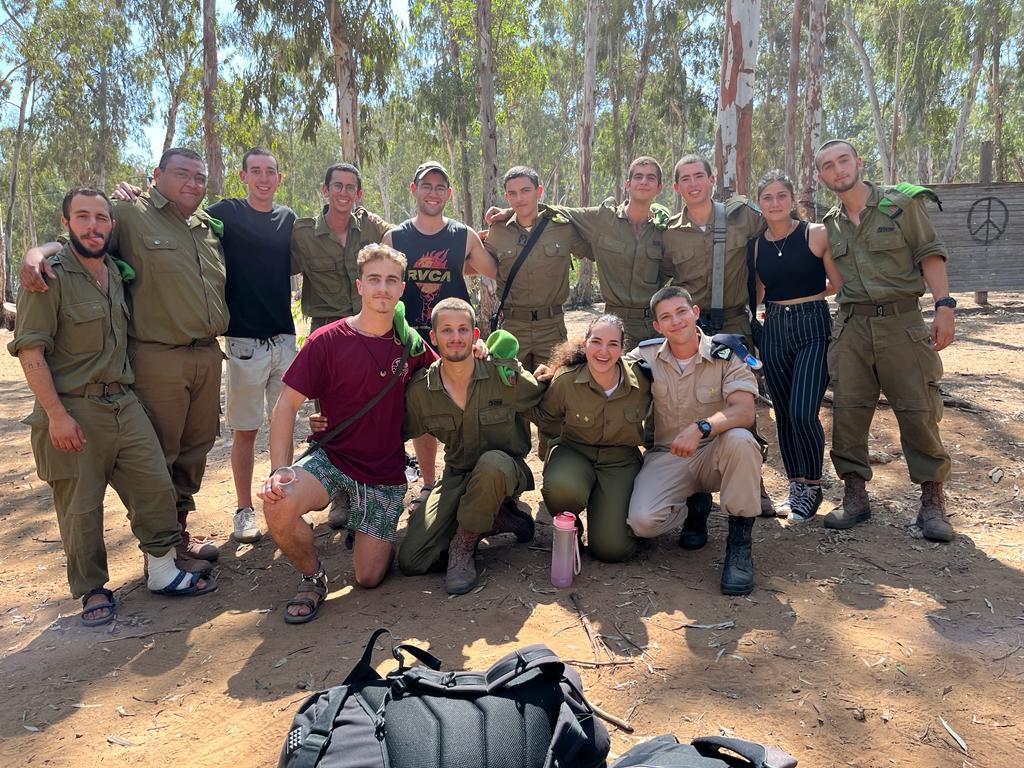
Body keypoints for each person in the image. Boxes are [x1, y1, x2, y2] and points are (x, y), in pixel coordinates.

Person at [9, 189, 216, 626]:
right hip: (74, 407)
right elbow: (31, 352)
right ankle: (93, 590)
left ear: (112, 224)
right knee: (81, 507)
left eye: (101, 218)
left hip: (123, 400)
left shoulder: (117, 272)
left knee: (155, 484)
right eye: (82, 217)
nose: (93, 226)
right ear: (66, 223)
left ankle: (162, 571)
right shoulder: (48, 277)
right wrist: (56, 416)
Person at [257, 245, 437, 623]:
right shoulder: (327, 339)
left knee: (368, 577)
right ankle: (312, 577)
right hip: (333, 457)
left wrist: (479, 351)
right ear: (359, 285)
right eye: (374, 279)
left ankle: (367, 524)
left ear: (402, 288)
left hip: (384, 472)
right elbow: (285, 407)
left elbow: (448, 377)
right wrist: (280, 470)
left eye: (391, 280)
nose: (382, 288)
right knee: (278, 502)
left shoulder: (411, 345)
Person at [815, 139, 955, 541]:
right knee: (848, 411)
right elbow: (832, 281)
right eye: (828, 166)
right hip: (852, 327)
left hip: (901, 322)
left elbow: (930, 253)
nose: (838, 170)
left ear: (858, 162)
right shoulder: (830, 224)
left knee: (918, 409)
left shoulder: (900, 205)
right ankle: (855, 496)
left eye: (843, 161)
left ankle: (932, 502)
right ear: (822, 177)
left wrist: (944, 305)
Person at [398, 298, 544, 595]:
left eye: (463, 329)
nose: (456, 337)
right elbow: (392, 436)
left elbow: (546, 402)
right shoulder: (422, 390)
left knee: (491, 464)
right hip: (458, 475)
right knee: (413, 560)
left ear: (475, 335)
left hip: (505, 472)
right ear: (433, 337)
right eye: (447, 330)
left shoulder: (501, 374)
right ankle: (500, 519)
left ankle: (464, 544)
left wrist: (554, 374)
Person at [626, 286, 762, 595]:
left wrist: (702, 427)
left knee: (741, 440)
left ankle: (739, 547)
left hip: (716, 453)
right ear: (657, 326)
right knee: (642, 522)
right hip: (669, 455)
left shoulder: (727, 353)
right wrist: (556, 368)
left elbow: (744, 411)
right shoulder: (646, 355)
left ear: (695, 312)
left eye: (681, 312)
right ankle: (693, 506)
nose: (676, 321)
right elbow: (604, 365)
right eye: (666, 317)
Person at [660, 153, 774, 516]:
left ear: (712, 180)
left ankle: (753, 482)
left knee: (742, 401)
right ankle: (697, 496)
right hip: (690, 328)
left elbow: (773, 240)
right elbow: (665, 280)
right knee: (691, 403)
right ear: (676, 187)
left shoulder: (743, 218)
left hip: (734, 325)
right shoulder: (669, 233)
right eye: (685, 179)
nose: (693, 184)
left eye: (699, 176)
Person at [384, 161, 493, 506]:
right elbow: (383, 284)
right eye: (426, 186)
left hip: (454, 338)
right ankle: (429, 485)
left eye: (440, 187)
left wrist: (504, 225)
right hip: (409, 340)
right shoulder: (395, 238)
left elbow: (497, 269)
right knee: (421, 412)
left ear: (449, 193)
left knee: (466, 408)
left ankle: (470, 482)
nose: (433, 193)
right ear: (413, 189)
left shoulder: (463, 235)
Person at [490, 156, 670, 348]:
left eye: (651, 178)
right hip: (615, 323)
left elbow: (672, 271)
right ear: (628, 184)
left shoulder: (666, 228)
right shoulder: (603, 219)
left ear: (660, 187)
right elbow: (560, 211)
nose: (643, 182)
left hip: (655, 323)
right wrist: (511, 212)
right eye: (638, 177)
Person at [750, 170, 842, 522]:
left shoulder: (815, 234)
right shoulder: (756, 245)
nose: (775, 203)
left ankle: (813, 485)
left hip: (813, 325)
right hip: (774, 327)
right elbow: (758, 292)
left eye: (781, 196)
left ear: (792, 200)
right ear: (760, 204)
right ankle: (796, 486)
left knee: (804, 411)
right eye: (767, 197)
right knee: (785, 413)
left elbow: (837, 282)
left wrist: (807, 298)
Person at [533, 314, 650, 563]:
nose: (603, 351)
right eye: (596, 342)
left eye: (612, 344)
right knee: (560, 488)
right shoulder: (565, 380)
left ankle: (609, 512)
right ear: (585, 344)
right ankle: (571, 524)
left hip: (620, 462)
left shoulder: (642, 381)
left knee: (613, 550)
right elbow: (547, 421)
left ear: (622, 349)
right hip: (575, 453)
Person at [481, 166, 592, 370]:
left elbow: (595, 252)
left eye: (526, 190)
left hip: (551, 327)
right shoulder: (497, 232)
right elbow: (476, 260)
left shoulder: (562, 228)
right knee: (510, 384)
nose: (519, 198)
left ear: (539, 191)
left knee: (553, 384)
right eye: (513, 193)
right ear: (506, 197)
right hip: (513, 328)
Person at [290, 162, 391, 332]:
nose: (343, 192)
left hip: (367, 326)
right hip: (326, 330)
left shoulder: (370, 227)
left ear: (358, 194)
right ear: (325, 190)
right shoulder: (304, 235)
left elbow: (402, 236)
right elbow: (276, 269)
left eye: (350, 187)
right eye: (337, 186)